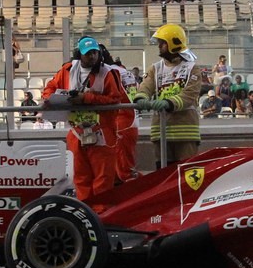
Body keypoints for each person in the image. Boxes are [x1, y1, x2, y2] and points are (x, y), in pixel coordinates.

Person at [42, 35, 127, 202]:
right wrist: (49, 99)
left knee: (103, 177)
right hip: (76, 131)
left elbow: (115, 100)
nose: (92, 56)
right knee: (81, 176)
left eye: (94, 52)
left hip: (102, 133)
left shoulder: (110, 73)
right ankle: (86, 209)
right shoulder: (67, 70)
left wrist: (86, 98)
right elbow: (50, 87)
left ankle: (102, 213)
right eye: (88, 53)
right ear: (79, 54)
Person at [132, 23, 202, 167]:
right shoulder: (155, 68)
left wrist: (168, 103)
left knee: (186, 175)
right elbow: (146, 86)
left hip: (186, 131)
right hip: (161, 130)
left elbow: (190, 94)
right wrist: (141, 97)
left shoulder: (192, 68)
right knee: (163, 178)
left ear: (173, 44)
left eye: (162, 43)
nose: (159, 46)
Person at [98, 44, 139, 182]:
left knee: (124, 171)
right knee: (120, 169)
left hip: (121, 120)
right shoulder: (122, 70)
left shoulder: (109, 71)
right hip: (130, 120)